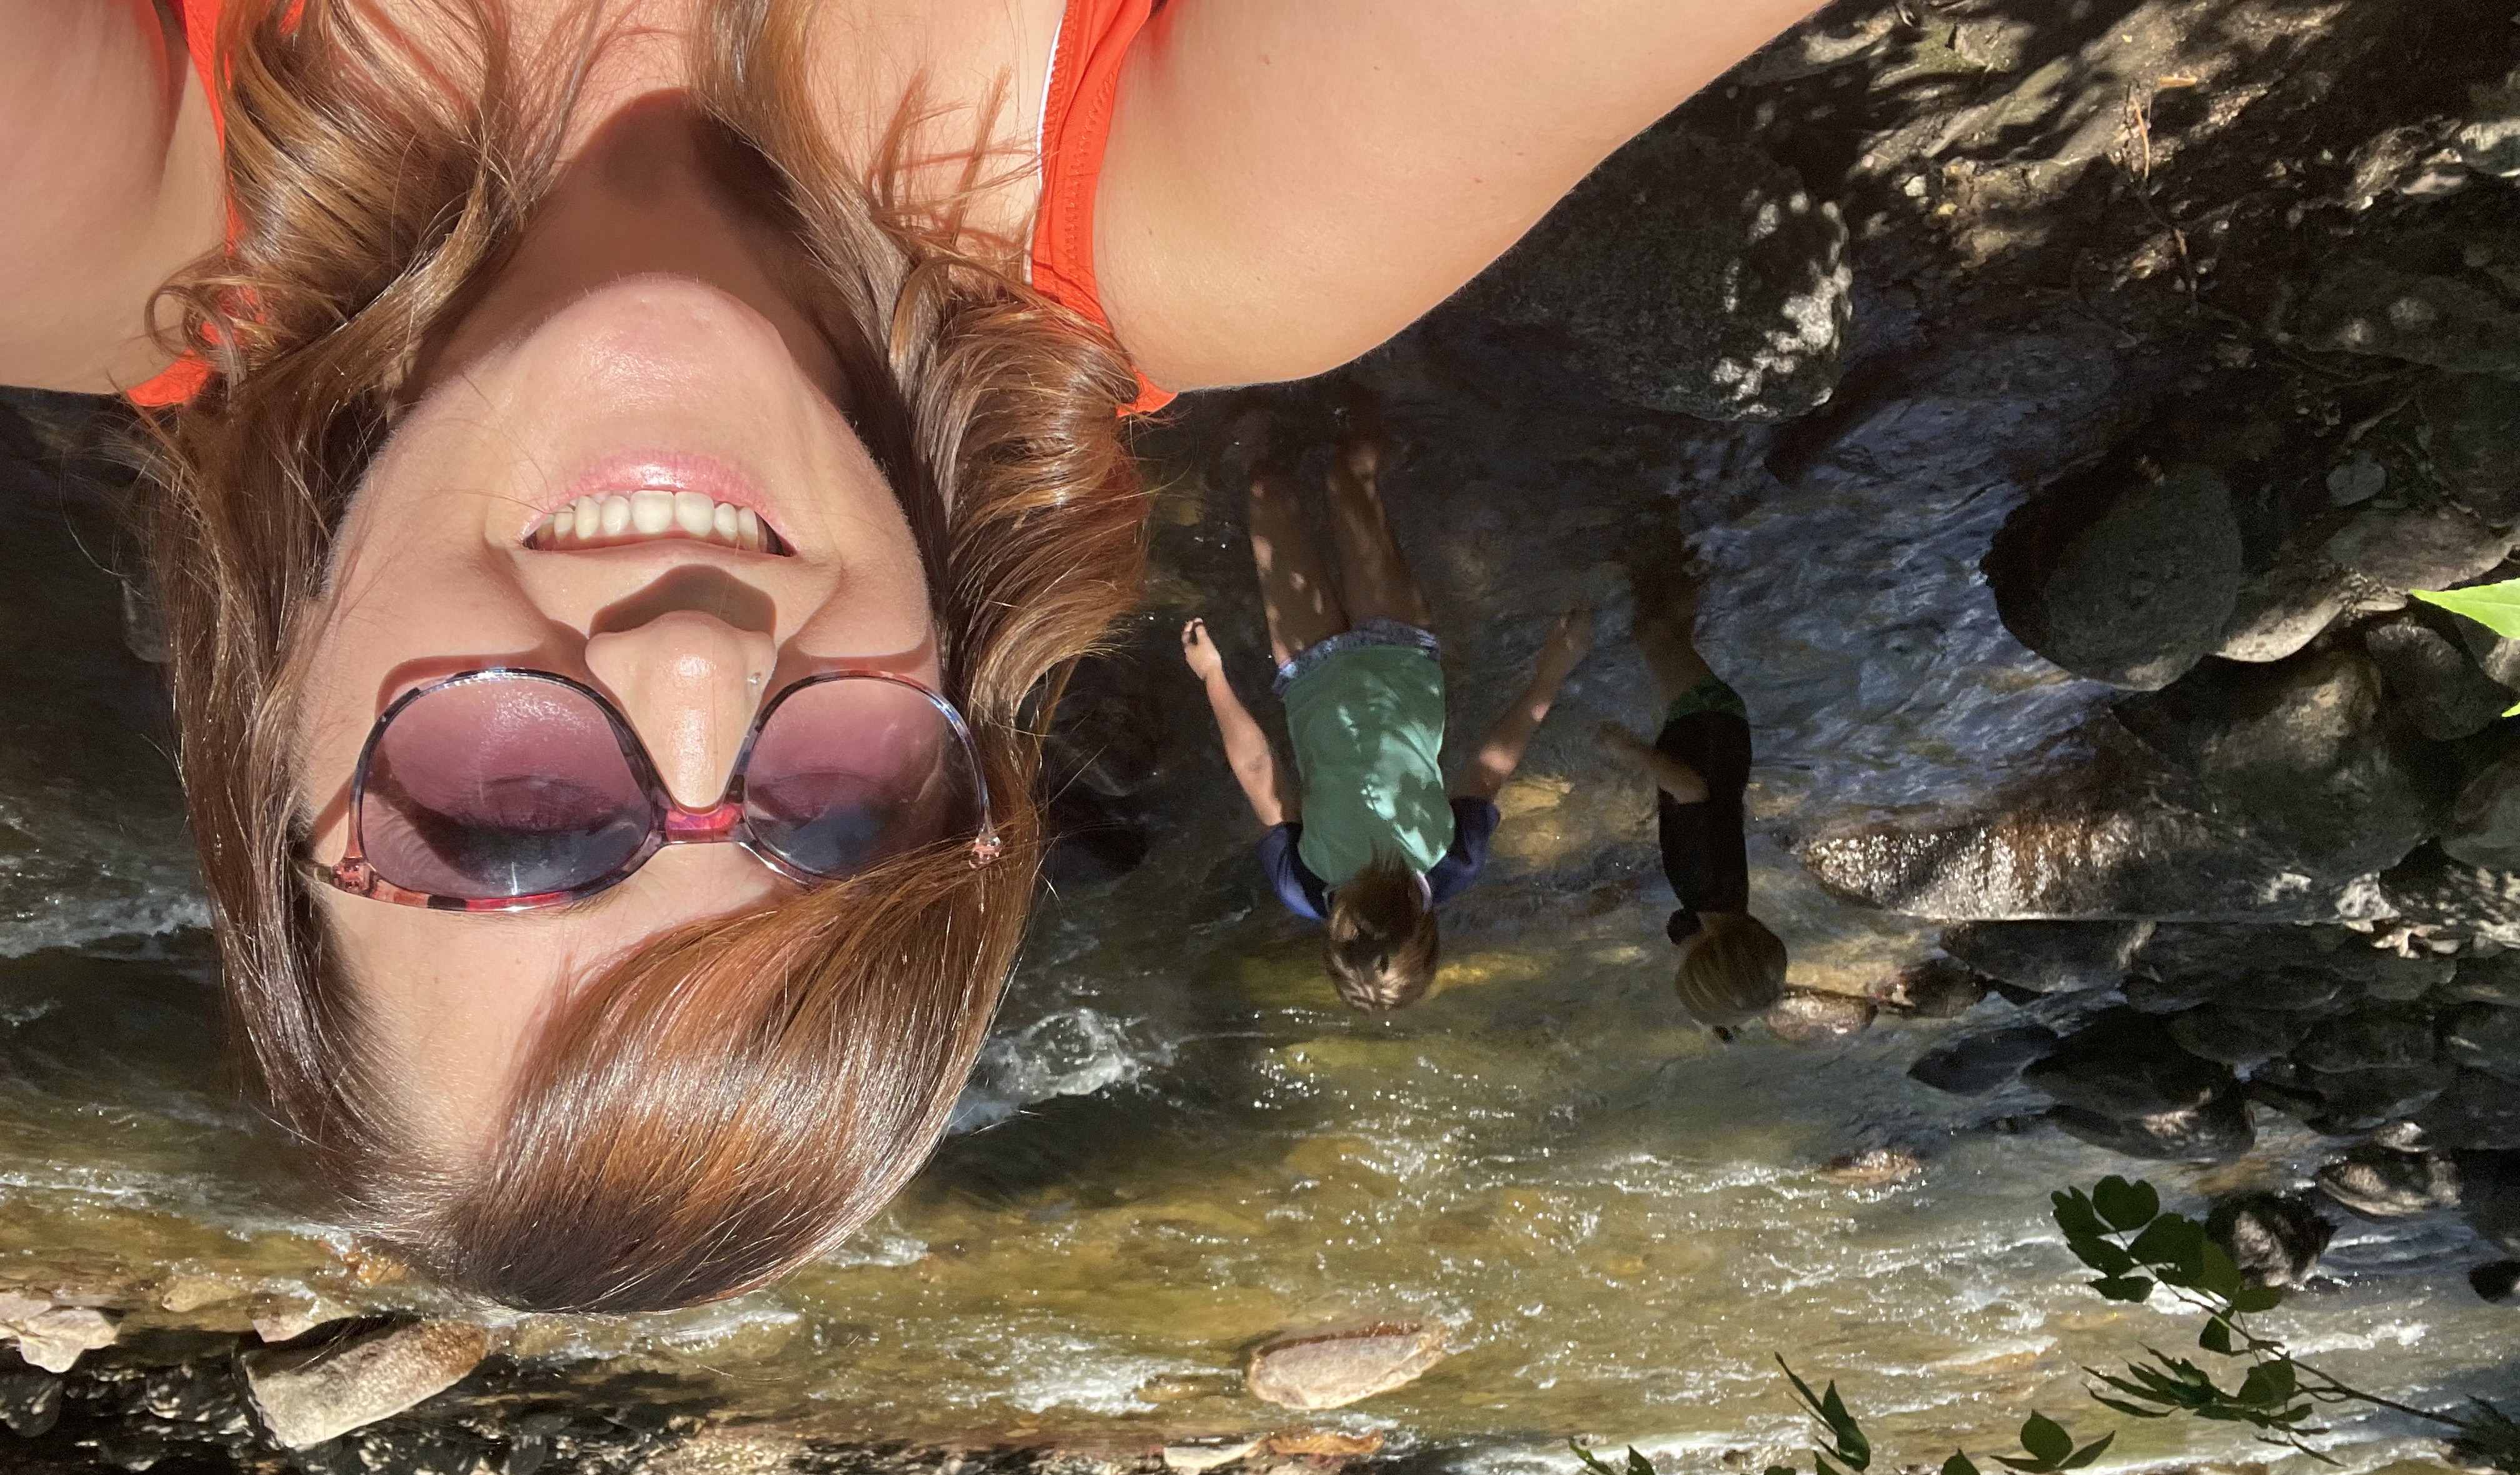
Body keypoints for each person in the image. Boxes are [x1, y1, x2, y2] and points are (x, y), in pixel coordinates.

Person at [4, 0, 1821, 1310]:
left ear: (269, 723)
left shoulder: (136, 202)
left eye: (510, 803)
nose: (706, 675)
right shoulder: (1203, 203)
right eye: (842, 811)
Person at [1182, 413, 1589, 1009]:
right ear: (1420, 925)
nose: (1355, 913)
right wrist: (1553, 668)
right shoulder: (1454, 862)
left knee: (1265, 490)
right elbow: (1490, 766)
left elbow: (1261, 774)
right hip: (1400, 655)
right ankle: (1378, 392)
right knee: (1349, 476)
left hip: (1310, 670)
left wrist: (1215, 677)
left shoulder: (1307, 885)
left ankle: (1260, 403)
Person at [1596, 556, 1788, 1034]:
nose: (1675, 963)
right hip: (1706, 725)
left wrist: (1728, 1021)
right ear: (1707, 950)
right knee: (1653, 633)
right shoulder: (1703, 883)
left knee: (1669, 636)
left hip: (1721, 739)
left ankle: (1681, 575)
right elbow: (1690, 788)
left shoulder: (1726, 906)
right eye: (1685, 969)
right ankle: (1674, 545)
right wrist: (1629, 750)